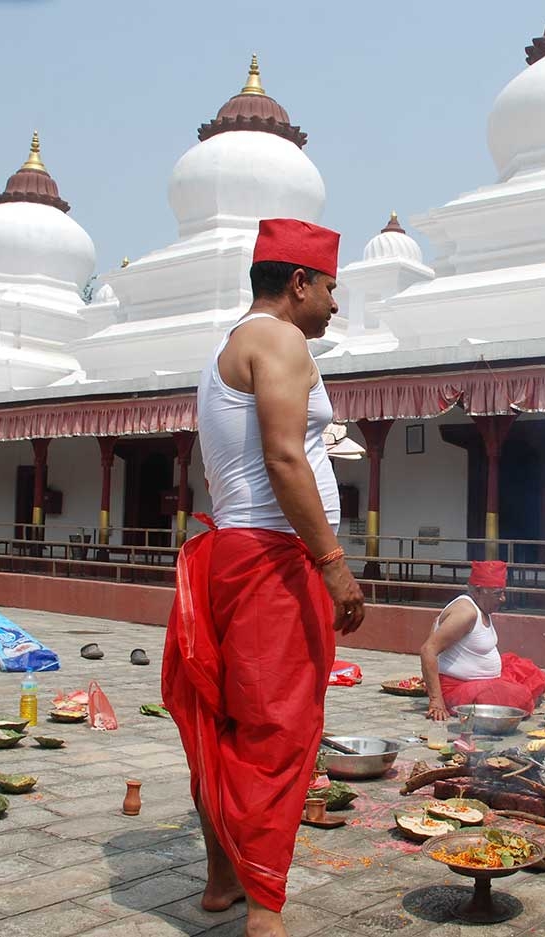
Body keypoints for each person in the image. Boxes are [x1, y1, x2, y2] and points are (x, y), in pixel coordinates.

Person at [162, 218, 365, 937]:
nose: (335, 305)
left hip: (232, 553)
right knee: (276, 730)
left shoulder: (231, 343)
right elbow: (284, 457)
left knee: (223, 721)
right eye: (331, 288)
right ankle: (265, 911)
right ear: (299, 282)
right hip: (272, 559)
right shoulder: (279, 339)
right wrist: (333, 565)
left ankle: (223, 878)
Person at [421, 560, 545, 720]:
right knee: (517, 696)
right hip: (457, 687)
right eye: (497, 594)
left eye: (503, 593)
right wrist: (436, 700)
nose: (503, 599)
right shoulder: (465, 613)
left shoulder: (481, 606)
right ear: (478, 591)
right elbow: (428, 650)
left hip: (485, 680)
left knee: (525, 669)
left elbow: (436, 622)